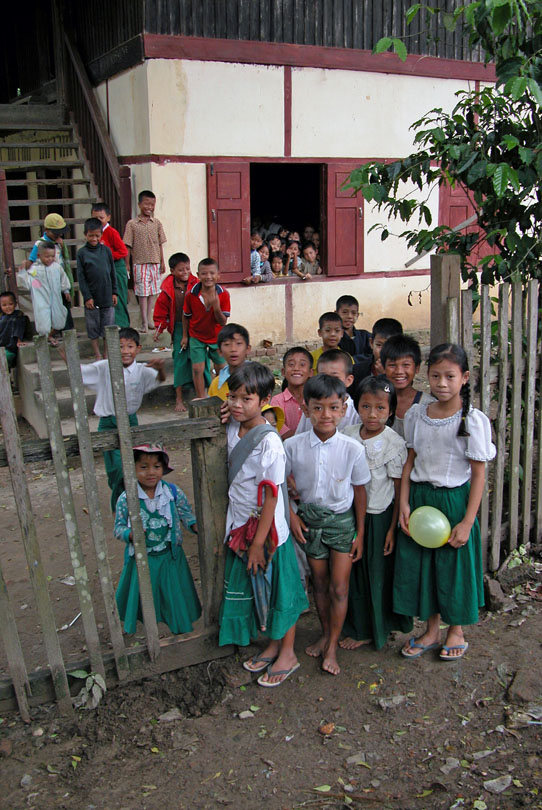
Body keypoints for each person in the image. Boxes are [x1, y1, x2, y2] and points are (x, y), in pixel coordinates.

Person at [395, 344, 495, 660]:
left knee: (453, 567)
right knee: (424, 567)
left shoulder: (472, 420)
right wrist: (405, 504)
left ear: (464, 378)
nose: (441, 383)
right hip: (421, 500)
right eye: (435, 375)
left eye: (450, 376)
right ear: (427, 376)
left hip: (454, 501)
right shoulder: (417, 414)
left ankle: (456, 630)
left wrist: (467, 521)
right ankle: (430, 629)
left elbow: (478, 475)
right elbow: (409, 460)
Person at [219, 363, 309, 687]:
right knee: (263, 592)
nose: (238, 404)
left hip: (268, 533)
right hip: (241, 524)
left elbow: (271, 495)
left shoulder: (270, 443)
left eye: (246, 398)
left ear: (265, 400)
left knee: (281, 590)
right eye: (232, 397)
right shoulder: (232, 428)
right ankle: (273, 645)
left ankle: (288, 653)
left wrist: (258, 543)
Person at [286, 374, 370, 675]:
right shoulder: (292, 447)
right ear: (305, 408)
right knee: (319, 584)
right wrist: (292, 516)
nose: (326, 415)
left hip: (342, 525)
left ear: (344, 409)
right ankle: (325, 633)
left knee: (339, 586)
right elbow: (280, 483)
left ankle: (332, 645)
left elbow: (360, 491)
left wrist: (359, 533)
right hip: (309, 523)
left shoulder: (352, 449)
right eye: (318, 408)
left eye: (334, 408)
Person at [340, 377, 413, 651]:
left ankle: (377, 628)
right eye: (366, 406)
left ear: (391, 411)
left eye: (380, 408)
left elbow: (397, 490)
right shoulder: (347, 435)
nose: (372, 414)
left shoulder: (394, 444)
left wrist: (392, 529)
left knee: (377, 574)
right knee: (354, 575)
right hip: (349, 515)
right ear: (356, 406)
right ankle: (358, 625)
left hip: (379, 518)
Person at [114, 443, 201, 635]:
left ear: (163, 469)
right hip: (142, 560)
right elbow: (118, 528)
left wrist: (197, 526)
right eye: (143, 467)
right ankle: (149, 632)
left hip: (170, 557)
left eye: (156, 466)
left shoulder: (173, 493)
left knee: (173, 595)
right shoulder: (126, 498)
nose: (150, 472)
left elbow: (187, 516)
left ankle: (179, 629)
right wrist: (130, 534)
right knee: (146, 597)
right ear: (133, 469)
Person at [81, 327, 166, 511]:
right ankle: (121, 504)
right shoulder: (104, 367)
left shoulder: (142, 371)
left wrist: (160, 369)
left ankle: (127, 506)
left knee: (130, 467)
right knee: (115, 470)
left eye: (130, 346)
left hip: (130, 421)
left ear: (138, 348)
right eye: (120, 346)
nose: (125, 351)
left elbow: (159, 379)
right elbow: (81, 373)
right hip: (108, 423)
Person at [153, 252, 209, 412]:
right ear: (172, 271)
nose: (185, 273)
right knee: (179, 361)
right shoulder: (167, 290)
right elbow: (160, 312)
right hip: (178, 328)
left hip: (197, 327)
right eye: (180, 270)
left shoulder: (197, 284)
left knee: (201, 359)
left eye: (187, 269)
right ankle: (179, 399)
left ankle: (204, 394)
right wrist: (159, 329)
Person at [182, 258, 230, 399]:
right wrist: (185, 336)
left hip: (217, 337)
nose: (208, 277)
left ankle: (222, 396)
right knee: (198, 369)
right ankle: (201, 398)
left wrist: (216, 307)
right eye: (204, 273)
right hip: (197, 336)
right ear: (198, 275)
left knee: (221, 368)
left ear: (218, 275)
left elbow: (222, 322)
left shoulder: (223, 294)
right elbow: (186, 315)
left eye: (211, 273)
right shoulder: (191, 294)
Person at [123, 190, 167, 334]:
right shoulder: (132, 224)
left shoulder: (157, 223)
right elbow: (128, 245)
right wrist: (127, 263)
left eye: (152, 204)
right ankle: (143, 322)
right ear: (140, 204)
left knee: (153, 292)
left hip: (154, 262)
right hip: (139, 262)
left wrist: (162, 261)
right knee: (142, 293)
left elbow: (160, 244)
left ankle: (149, 319)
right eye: (146, 204)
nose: (149, 207)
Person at [15, 242, 71, 347]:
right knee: (43, 322)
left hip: (55, 298)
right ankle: (44, 340)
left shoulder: (57, 267)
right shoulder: (34, 269)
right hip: (41, 300)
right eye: (47, 256)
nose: (50, 259)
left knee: (60, 319)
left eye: (52, 256)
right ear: (39, 256)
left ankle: (50, 335)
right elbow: (27, 283)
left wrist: (66, 290)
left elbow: (63, 279)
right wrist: (22, 271)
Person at [77, 217, 118, 361]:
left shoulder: (106, 251)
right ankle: (97, 354)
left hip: (107, 294)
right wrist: (87, 296)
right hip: (92, 298)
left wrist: (114, 292)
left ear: (101, 235)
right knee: (93, 326)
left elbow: (112, 272)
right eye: (90, 235)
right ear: (85, 235)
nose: (94, 238)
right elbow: (81, 278)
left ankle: (107, 353)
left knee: (108, 325)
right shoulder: (82, 254)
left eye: (97, 235)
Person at [25, 213, 74, 331]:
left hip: (57, 279)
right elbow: (31, 261)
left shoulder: (59, 242)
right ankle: (50, 333)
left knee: (63, 307)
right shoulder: (40, 244)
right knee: (46, 309)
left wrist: (66, 288)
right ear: (47, 230)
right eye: (56, 232)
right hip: (45, 282)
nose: (59, 235)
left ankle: (67, 330)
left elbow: (62, 264)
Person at [381, 334, 434, 438]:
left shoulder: (428, 405)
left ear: (417, 368)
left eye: (406, 365)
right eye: (392, 365)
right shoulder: (376, 401)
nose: (399, 372)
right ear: (384, 368)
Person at [296, 350, 360, 434]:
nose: (328, 382)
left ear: (349, 380)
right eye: (323, 377)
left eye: (335, 378)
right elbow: (300, 436)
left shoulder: (356, 412)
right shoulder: (312, 407)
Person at [91, 203, 131, 328]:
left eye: (101, 218)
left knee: (118, 298)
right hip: (104, 269)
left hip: (116, 267)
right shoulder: (94, 234)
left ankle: (123, 325)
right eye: (95, 218)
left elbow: (123, 251)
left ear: (108, 217)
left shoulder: (111, 232)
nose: (98, 221)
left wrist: (107, 255)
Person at [351, 317, 404, 398]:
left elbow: (399, 398)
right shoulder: (357, 370)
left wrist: (385, 376)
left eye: (389, 346)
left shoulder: (402, 373)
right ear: (371, 343)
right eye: (379, 345)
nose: (383, 351)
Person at [271, 346, 313, 439]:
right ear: (283, 371)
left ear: (311, 372)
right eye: (291, 364)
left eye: (302, 364)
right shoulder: (276, 402)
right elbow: (283, 434)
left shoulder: (316, 399)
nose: (296, 368)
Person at [207, 323, 251, 401]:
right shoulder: (216, 384)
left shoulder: (256, 378)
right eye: (227, 344)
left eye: (239, 343)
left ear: (248, 349)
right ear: (220, 351)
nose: (233, 349)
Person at [336, 295, 371, 363]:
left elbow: (374, 355)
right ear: (336, 313)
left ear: (357, 315)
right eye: (345, 312)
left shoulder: (365, 336)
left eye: (353, 313)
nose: (349, 316)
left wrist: (351, 359)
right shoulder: (335, 338)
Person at [0, 291, 27, 369]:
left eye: (10, 304)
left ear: (15, 304)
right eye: (4, 305)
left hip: (10, 348)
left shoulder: (18, 316)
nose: (8, 307)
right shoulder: (1, 318)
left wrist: (19, 340)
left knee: (3, 361)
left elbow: (19, 329)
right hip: (1, 347)